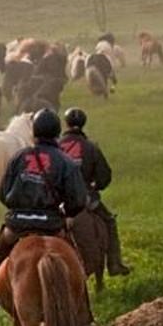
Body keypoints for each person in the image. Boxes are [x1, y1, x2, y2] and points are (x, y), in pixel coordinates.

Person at [0, 107, 93, 326]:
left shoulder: (19, 156)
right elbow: (78, 199)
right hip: (51, 225)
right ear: (57, 133)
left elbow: (3, 192)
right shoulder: (65, 161)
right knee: (76, 262)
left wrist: (18, 208)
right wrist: (67, 213)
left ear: (34, 133)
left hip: (17, 225)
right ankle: (85, 318)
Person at [58, 108, 131, 276]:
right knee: (110, 222)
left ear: (66, 123)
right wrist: (95, 186)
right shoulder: (91, 147)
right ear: (83, 124)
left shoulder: (55, 147)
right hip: (85, 199)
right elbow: (104, 176)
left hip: (57, 200)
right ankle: (114, 264)